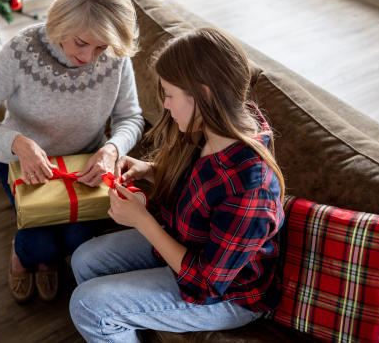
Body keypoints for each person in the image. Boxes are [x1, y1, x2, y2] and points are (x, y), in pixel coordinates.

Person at [69, 27, 286, 342]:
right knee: (84, 259)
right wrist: (151, 170)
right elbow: (203, 187)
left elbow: (206, 283)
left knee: (88, 305)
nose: (165, 105)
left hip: (228, 296)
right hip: (184, 240)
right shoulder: (216, 126)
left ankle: (114, 322)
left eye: (169, 94)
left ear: (204, 93)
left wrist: (142, 221)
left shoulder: (252, 188)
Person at [0, 0, 145, 303]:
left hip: (84, 167)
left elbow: (130, 118)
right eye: (81, 43)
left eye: (100, 47)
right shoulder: (22, 50)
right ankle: (23, 255)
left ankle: (45, 259)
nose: (89, 57)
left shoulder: (114, 55)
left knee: (77, 242)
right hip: (22, 165)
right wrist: (17, 142)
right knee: (40, 246)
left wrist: (111, 150)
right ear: (60, 23)